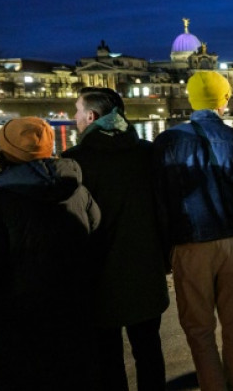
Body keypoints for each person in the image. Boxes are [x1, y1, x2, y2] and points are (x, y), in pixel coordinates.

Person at [0, 117, 101, 389]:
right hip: (74, 327)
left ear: (4, 153)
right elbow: (95, 237)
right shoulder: (78, 192)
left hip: (16, 337)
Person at [154, 71, 233, 391]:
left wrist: (164, 255)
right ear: (225, 100)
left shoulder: (166, 142)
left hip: (190, 244)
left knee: (199, 330)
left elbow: (161, 203)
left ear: (190, 99)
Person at [63, 87, 169, 391]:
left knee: (107, 358)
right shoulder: (148, 153)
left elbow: (71, 228)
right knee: (149, 351)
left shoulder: (75, 161)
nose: (74, 118)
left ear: (92, 117)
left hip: (98, 277)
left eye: (77, 111)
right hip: (146, 271)